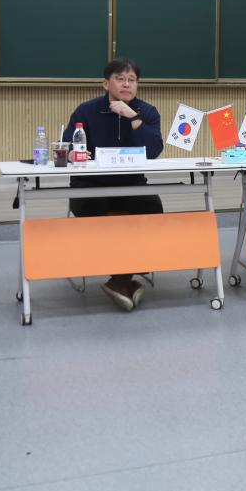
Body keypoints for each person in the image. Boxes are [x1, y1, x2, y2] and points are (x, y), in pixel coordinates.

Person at [62, 58, 164, 312]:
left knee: (151, 206)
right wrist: (76, 154)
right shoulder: (86, 111)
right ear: (106, 84)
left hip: (132, 184)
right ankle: (125, 280)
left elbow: (153, 151)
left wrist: (133, 117)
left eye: (132, 80)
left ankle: (120, 279)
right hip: (90, 185)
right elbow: (68, 146)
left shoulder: (147, 112)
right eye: (120, 79)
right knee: (92, 209)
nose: (126, 84)